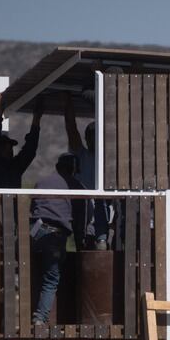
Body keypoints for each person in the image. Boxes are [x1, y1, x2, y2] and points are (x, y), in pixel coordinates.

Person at [30, 153, 91, 326]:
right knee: (51, 279)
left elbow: (32, 208)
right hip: (55, 235)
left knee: (32, 271)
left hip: (34, 231)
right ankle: (40, 318)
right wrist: (80, 243)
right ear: (74, 169)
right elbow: (80, 220)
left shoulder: (41, 183)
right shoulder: (76, 187)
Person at [63, 93, 114, 248]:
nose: (93, 140)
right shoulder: (82, 155)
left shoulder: (111, 156)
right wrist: (68, 102)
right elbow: (72, 129)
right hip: (85, 209)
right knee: (84, 247)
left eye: (96, 136)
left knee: (105, 249)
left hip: (106, 210)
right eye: (90, 136)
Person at [0, 95, 41, 189]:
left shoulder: (15, 166)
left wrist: (36, 119)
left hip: (12, 203)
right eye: (5, 146)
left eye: (11, 147)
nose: (10, 150)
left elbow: (29, 150)